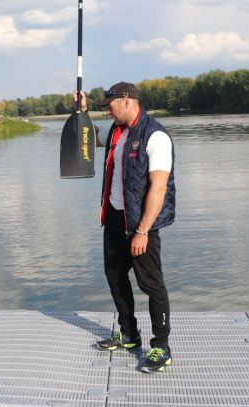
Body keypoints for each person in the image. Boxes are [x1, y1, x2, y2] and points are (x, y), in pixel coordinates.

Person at [77, 82, 176, 373]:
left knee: (151, 283)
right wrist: (82, 112)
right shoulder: (118, 132)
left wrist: (143, 230)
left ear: (127, 100)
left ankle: (161, 346)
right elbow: (94, 139)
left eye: (109, 105)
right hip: (114, 218)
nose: (107, 111)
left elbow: (158, 188)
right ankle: (129, 334)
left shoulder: (155, 135)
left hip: (140, 224)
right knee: (115, 276)